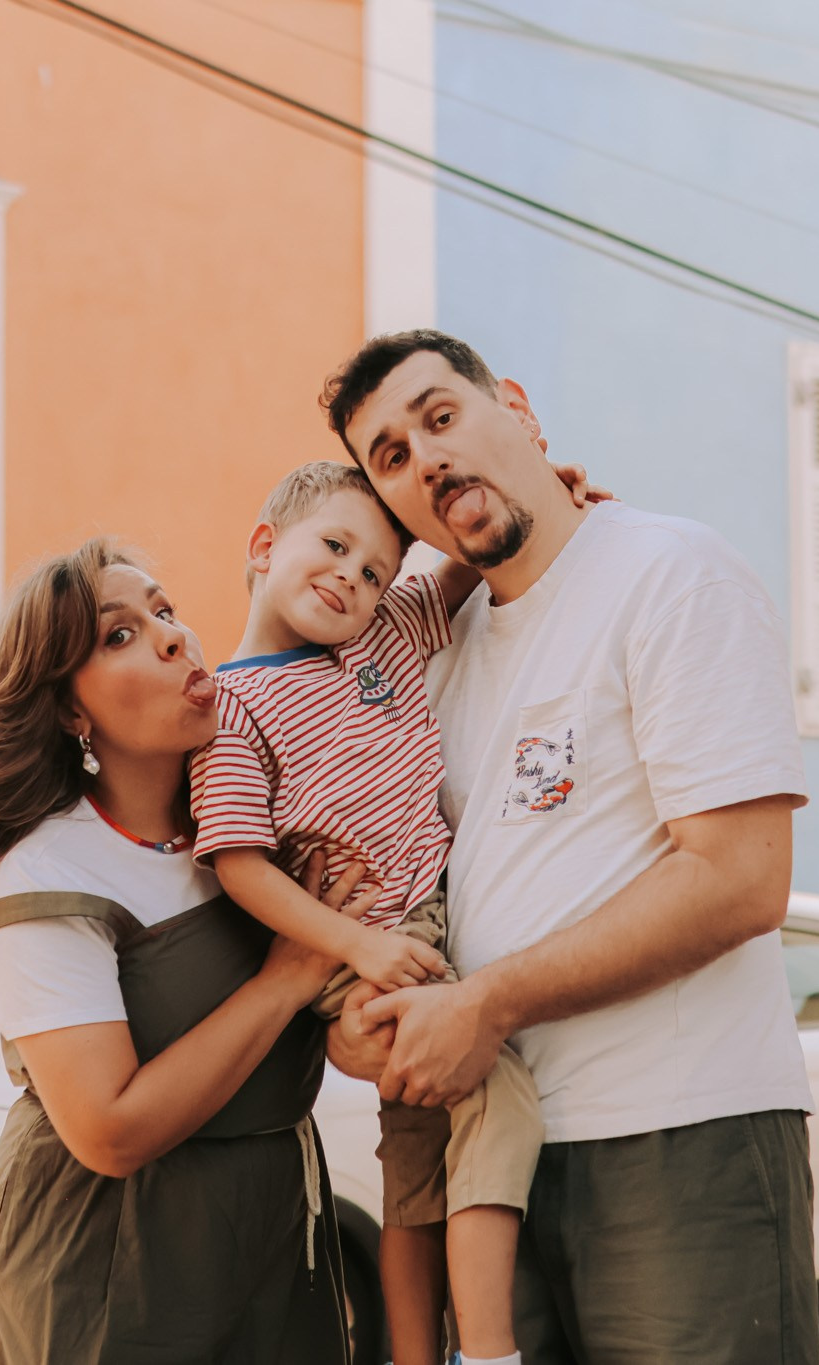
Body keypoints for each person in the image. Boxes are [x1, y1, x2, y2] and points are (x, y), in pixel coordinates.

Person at [321, 330, 819, 1364]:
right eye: (392, 457)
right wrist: (369, 1020)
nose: (427, 458)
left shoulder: (668, 573)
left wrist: (487, 1004)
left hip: (682, 1137)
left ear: (518, 411)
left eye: (441, 416)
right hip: (499, 1163)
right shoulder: (441, 658)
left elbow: (738, 878)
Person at [190, 460, 606, 1365]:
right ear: (265, 547)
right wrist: (357, 946)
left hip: (429, 934)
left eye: (377, 569)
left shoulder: (381, 638)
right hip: (362, 954)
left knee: (415, 1177)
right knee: (500, 1097)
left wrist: (537, 493)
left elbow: (461, 567)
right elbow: (236, 862)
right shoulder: (232, 706)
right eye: (334, 547)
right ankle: (489, 1352)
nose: (353, 577)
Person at [0, 538, 362, 1365]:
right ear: (71, 712)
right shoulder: (47, 870)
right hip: (106, 1272)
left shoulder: (252, 839)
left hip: (272, 1247)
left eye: (165, 609)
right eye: (119, 635)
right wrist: (285, 979)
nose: (173, 636)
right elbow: (107, 1130)